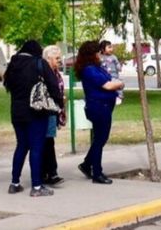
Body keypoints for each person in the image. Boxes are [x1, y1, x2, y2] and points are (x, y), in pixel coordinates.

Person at [4, 40, 63, 197]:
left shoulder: (13, 64)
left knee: (21, 146)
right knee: (37, 147)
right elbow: (53, 85)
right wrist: (58, 103)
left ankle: (14, 183)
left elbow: (7, 85)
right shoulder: (39, 63)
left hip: (17, 112)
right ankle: (36, 186)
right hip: (36, 112)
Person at [75, 41, 124, 184]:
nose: (99, 55)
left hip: (104, 106)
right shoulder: (89, 70)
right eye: (97, 53)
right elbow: (108, 85)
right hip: (98, 107)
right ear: (91, 55)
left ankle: (86, 164)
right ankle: (97, 172)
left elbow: (109, 79)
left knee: (100, 139)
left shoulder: (96, 68)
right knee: (100, 140)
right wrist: (120, 84)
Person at [41, 45, 66, 186]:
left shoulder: (55, 72)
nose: (59, 60)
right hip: (47, 110)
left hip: (54, 110)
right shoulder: (45, 72)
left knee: (49, 141)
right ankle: (50, 173)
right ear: (48, 58)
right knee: (47, 141)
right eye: (57, 58)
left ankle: (49, 172)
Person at [99, 40, 123, 105]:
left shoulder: (113, 57)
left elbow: (117, 63)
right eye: (109, 47)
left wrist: (119, 67)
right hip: (104, 76)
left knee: (118, 84)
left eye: (111, 47)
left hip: (113, 75)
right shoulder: (100, 57)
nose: (111, 49)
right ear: (102, 49)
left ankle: (119, 97)